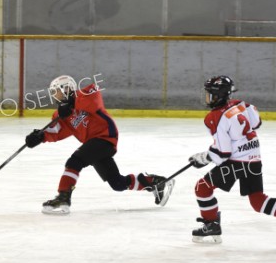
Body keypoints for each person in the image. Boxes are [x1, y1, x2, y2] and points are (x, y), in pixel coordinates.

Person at [25, 75, 173, 215]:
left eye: (56, 91)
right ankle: (155, 182)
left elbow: (94, 101)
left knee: (74, 162)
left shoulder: (85, 93)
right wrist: (39, 136)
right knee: (117, 183)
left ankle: (63, 197)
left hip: (105, 137)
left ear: (66, 88)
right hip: (93, 145)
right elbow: (56, 131)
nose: (54, 95)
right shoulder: (61, 114)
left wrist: (72, 103)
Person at [188, 75, 275, 243]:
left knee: (202, 188)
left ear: (219, 95)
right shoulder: (241, 104)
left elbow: (223, 153)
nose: (207, 97)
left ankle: (211, 224)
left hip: (237, 163)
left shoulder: (214, 117)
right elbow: (257, 122)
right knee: (258, 201)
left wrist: (204, 158)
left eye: (210, 94)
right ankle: (212, 224)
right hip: (254, 158)